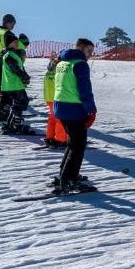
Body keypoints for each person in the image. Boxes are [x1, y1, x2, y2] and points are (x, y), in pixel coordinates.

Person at [53, 38, 97, 192]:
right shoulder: (80, 64)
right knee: (78, 146)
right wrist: (91, 109)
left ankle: (64, 175)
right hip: (74, 108)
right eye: (89, 51)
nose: (90, 55)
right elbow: (84, 88)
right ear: (81, 48)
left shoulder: (63, 63)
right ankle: (68, 180)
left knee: (73, 144)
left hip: (60, 107)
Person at [0, 34, 33, 135]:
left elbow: (19, 67)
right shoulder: (9, 55)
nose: (17, 43)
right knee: (20, 103)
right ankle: (15, 125)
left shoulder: (12, 54)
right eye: (15, 42)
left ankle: (11, 124)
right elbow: (14, 68)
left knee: (19, 103)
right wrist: (24, 76)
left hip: (14, 85)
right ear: (10, 44)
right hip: (14, 85)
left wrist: (24, 76)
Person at [0, 14, 17, 120]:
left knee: (0, 86)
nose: (13, 26)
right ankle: (0, 112)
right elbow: (12, 48)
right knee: (5, 87)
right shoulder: (7, 33)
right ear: (8, 22)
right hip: (3, 61)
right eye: (13, 24)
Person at [42, 53, 67, 148]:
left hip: (49, 98)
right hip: (56, 98)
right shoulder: (58, 72)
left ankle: (50, 137)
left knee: (53, 117)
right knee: (60, 119)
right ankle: (60, 139)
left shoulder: (48, 72)